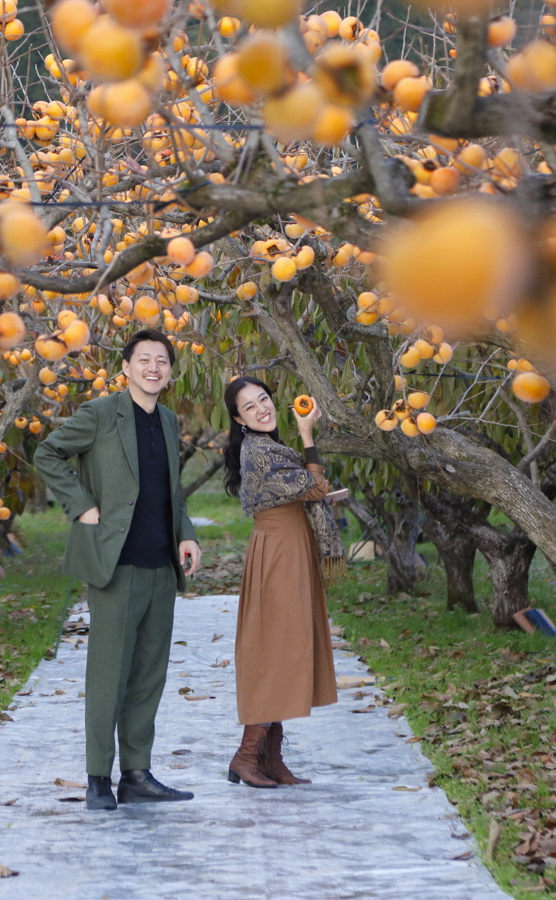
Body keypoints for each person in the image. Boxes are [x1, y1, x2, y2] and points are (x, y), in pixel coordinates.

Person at [34, 328, 203, 811]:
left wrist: (186, 532)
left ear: (170, 372)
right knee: (109, 674)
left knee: (149, 675)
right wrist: (81, 505)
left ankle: (136, 773)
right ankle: (97, 780)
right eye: (144, 359)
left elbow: (173, 491)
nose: (154, 368)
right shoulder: (100, 414)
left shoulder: (168, 421)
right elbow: (47, 453)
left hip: (160, 564)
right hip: (116, 562)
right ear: (125, 367)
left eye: (163, 361)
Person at [222, 376, 343, 788]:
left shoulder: (271, 448)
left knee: (285, 647)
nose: (262, 409)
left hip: (289, 547)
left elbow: (308, 490)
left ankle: (270, 759)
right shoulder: (258, 453)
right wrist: (308, 436)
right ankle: (245, 756)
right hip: (278, 553)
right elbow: (315, 487)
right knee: (277, 651)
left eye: (264, 399)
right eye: (250, 407)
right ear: (239, 418)